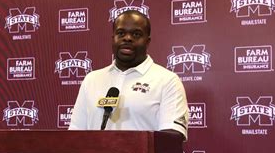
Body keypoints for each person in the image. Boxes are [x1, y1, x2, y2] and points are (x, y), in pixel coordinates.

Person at [69, 10, 189, 140]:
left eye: (136, 34)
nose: (127, 38)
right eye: (121, 33)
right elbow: (74, 135)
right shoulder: (92, 79)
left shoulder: (167, 80)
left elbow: (171, 139)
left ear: (147, 42)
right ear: (113, 38)